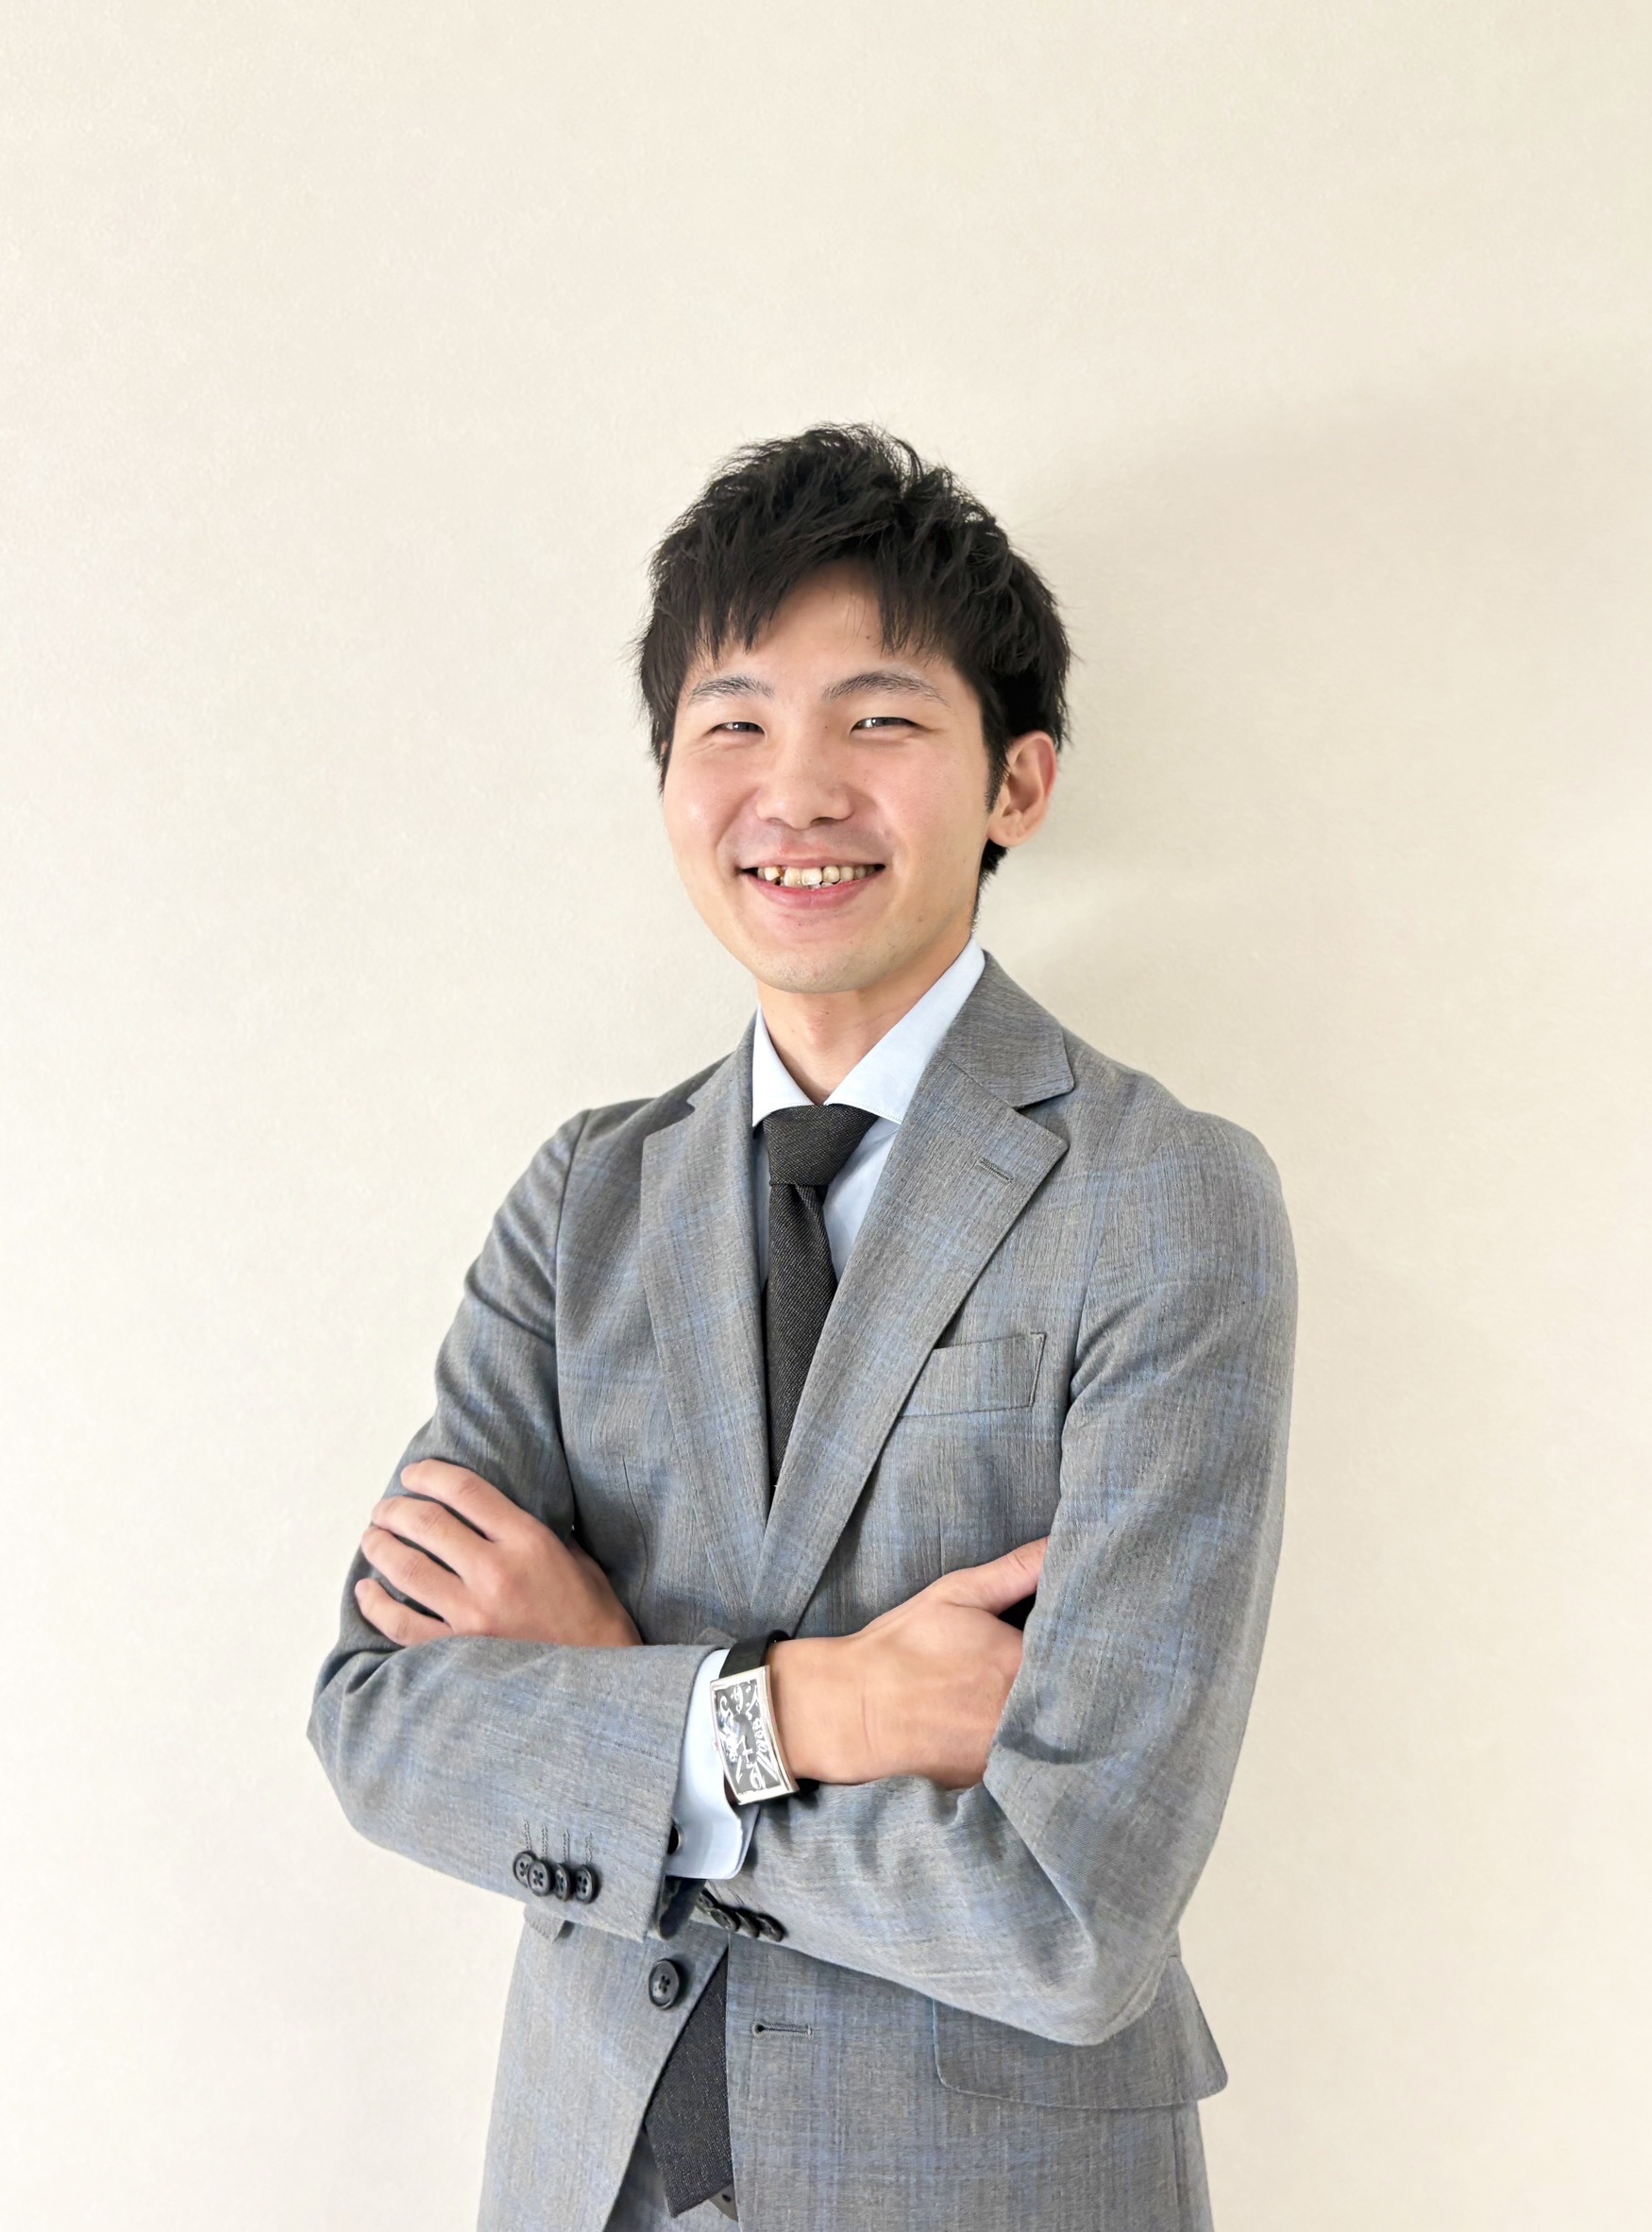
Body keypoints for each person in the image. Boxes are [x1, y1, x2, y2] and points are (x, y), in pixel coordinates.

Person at [309, 425, 1298, 2232]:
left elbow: (1068, 1915)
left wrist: (609, 1699)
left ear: (1017, 784)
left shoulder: (1165, 1196)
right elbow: (382, 1724)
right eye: (736, 723)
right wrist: (797, 1711)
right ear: (669, 779)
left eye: (882, 719)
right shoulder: (586, 1200)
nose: (799, 789)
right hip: (587, 2178)